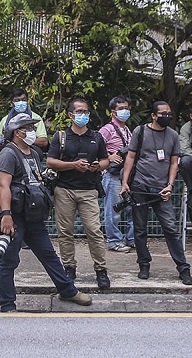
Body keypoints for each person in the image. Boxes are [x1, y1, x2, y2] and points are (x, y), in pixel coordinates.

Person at [0, 113, 92, 311]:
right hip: (14, 214)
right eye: (28, 128)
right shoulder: (8, 154)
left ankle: (68, 291)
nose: (32, 131)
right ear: (17, 132)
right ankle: (7, 304)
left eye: (32, 127)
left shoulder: (33, 152)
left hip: (32, 214)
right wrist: (6, 215)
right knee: (9, 259)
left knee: (48, 254)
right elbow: (3, 186)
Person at [121, 101, 192, 285]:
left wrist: (170, 185)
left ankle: (183, 268)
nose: (167, 116)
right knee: (140, 229)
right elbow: (130, 157)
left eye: (169, 113)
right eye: (163, 113)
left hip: (162, 190)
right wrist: (124, 183)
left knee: (170, 228)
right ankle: (144, 264)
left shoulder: (173, 135)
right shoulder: (140, 131)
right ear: (153, 116)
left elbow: (174, 162)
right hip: (140, 186)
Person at [46, 97, 111, 288]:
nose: (83, 115)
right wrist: (73, 165)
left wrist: (97, 166)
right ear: (71, 115)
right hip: (64, 189)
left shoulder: (96, 137)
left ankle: (101, 269)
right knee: (65, 231)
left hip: (89, 190)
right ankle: (69, 267)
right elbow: (50, 161)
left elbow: (105, 160)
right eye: (79, 111)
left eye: (85, 111)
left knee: (94, 231)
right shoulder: (61, 137)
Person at [99, 95, 135, 252]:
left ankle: (132, 239)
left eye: (126, 108)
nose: (124, 111)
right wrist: (108, 157)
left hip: (127, 175)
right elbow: (95, 146)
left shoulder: (127, 130)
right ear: (113, 112)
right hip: (112, 174)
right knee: (114, 209)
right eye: (121, 109)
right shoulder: (107, 129)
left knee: (132, 208)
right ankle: (114, 241)